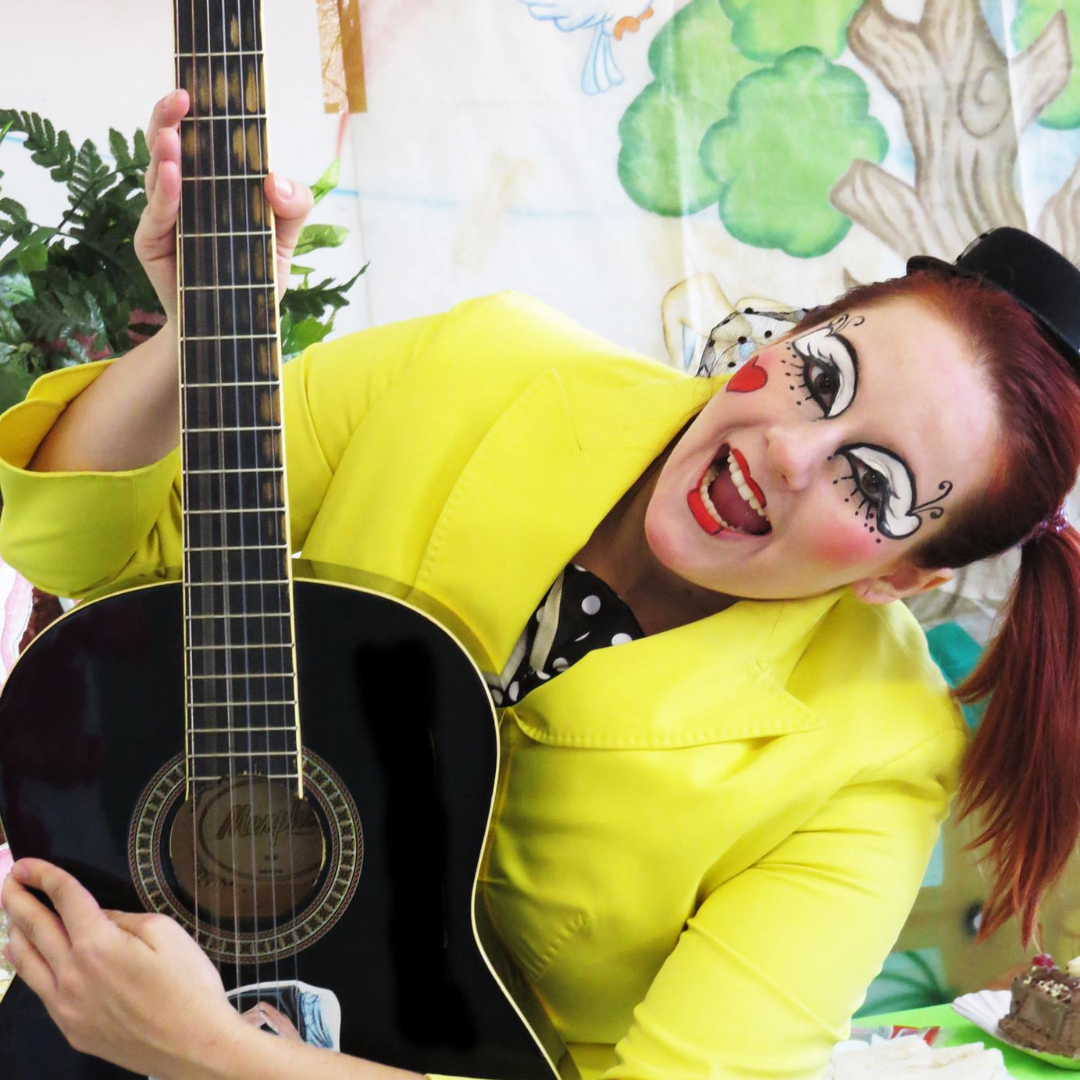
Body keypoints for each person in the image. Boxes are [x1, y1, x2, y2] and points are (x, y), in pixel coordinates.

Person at [1, 89, 1079, 1080]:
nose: (792, 453)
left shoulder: (877, 757)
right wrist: (196, 332)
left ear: (905, 573)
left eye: (873, 482)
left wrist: (209, 1051)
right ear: (794, 330)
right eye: (821, 375)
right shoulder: (480, 363)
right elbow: (89, 552)